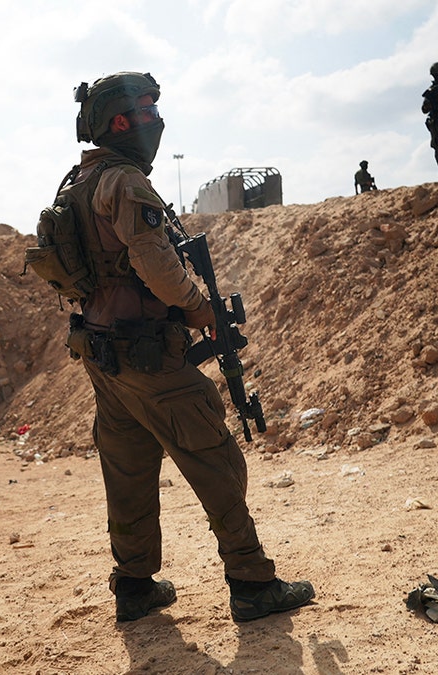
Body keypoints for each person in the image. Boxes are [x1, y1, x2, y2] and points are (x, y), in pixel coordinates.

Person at [64, 71, 315, 621]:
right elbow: (156, 265)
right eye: (147, 110)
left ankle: (133, 585)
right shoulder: (125, 181)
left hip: (103, 355)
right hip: (149, 354)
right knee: (214, 459)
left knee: (127, 472)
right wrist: (201, 309)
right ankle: (252, 582)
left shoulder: (76, 184)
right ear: (120, 121)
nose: (156, 119)